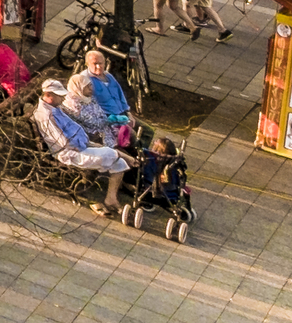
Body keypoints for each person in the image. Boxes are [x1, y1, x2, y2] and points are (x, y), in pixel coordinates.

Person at [32, 79, 129, 213]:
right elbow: (59, 140)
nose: (63, 98)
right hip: (70, 153)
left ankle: (111, 199)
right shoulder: (45, 115)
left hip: (81, 145)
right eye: (59, 96)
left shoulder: (55, 109)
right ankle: (97, 194)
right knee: (112, 154)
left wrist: (88, 143)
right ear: (49, 95)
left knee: (120, 163)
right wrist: (79, 146)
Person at [126, 133, 193, 241]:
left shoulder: (148, 158)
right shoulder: (173, 165)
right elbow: (179, 180)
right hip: (169, 194)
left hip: (147, 190)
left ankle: (134, 210)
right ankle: (176, 222)